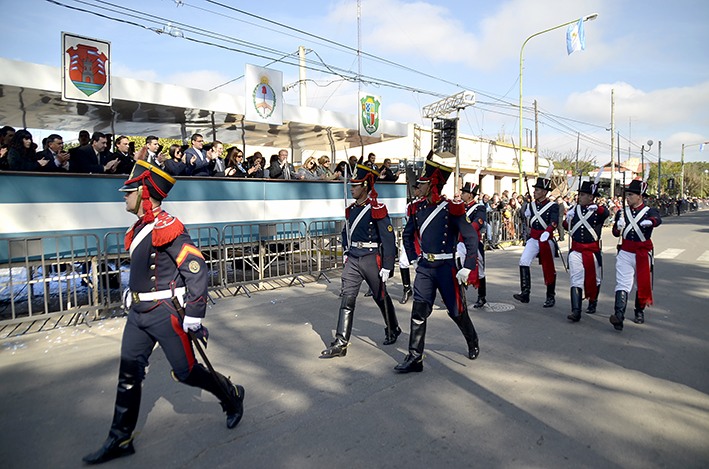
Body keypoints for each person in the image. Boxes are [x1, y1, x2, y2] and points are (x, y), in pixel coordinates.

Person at [82, 157, 245, 464]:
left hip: (164, 312)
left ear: (144, 193)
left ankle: (230, 395)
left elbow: (196, 269)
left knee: (186, 373)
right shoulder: (141, 227)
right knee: (128, 375)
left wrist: (195, 314)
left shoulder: (168, 227)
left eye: (128, 192)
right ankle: (120, 438)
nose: (124, 197)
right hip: (139, 313)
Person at [394, 159, 480, 373]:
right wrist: (414, 257)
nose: (417, 187)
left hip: (446, 266)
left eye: (422, 184)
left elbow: (470, 237)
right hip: (425, 267)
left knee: (456, 312)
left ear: (432, 185)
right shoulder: (416, 208)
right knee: (418, 311)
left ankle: (472, 339)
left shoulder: (452, 207)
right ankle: (415, 357)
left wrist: (468, 266)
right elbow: (407, 235)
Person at [321, 164, 400, 358]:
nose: (351, 188)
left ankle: (393, 327)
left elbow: (388, 238)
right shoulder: (351, 210)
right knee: (347, 299)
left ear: (365, 187)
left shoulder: (377, 209)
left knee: (380, 296)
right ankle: (341, 342)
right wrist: (346, 249)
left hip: (372, 258)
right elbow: (345, 232)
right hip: (354, 258)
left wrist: (388, 265)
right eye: (351, 185)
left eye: (355, 185)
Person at [609, 180, 662, 331]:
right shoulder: (622, 212)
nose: (628, 197)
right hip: (625, 251)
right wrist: (618, 228)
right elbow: (615, 233)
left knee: (641, 284)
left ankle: (639, 311)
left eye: (631, 195)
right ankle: (618, 315)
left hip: (641, 253)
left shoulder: (649, 211)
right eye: (627, 195)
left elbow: (657, 219)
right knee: (623, 283)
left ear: (640, 196)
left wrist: (650, 222)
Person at [562, 181, 609, 322]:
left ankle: (592, 301)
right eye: (579, 194)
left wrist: (598, 208)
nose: (579, 197)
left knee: (594, 279)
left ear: (590, 197)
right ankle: (576, 311)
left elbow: (605, 214)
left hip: (592, 250)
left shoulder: (597, 210)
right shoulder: (574, 209)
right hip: (576, 249)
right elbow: (566, 226)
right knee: (576, 279)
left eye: (582, 195)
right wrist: (567, 219)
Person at [513, 173, 559, 307]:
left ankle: (550, 297)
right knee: (524, 261)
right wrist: (526, 214)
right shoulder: (531, 206)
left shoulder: (553, 206)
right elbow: (527, 221)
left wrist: (548, 232)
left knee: (549, 267)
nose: (534, 192)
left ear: (544, 192)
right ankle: (525, 293)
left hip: (546, 239)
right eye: (534, 189)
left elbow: (554, 222)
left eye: (537, 190)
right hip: (533, 238)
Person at [458, 181, 488, 308]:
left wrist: (467, 230)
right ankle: (460, 296)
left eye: (464, 193)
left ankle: (482, 297)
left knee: (479, 270)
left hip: (473, 242)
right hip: (459, 242)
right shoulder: (459, 207)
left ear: (470, 195)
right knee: (458, 267)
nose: (461, 194)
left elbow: (478, 222)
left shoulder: (479, 208)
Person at [397, 181, 424, 305]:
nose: (414, 191)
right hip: (411, 238)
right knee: (403, 261)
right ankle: (407, 288)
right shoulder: (409, 206)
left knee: (423, 266)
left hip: (423, 238)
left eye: (416, 189)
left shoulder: (425, 204)